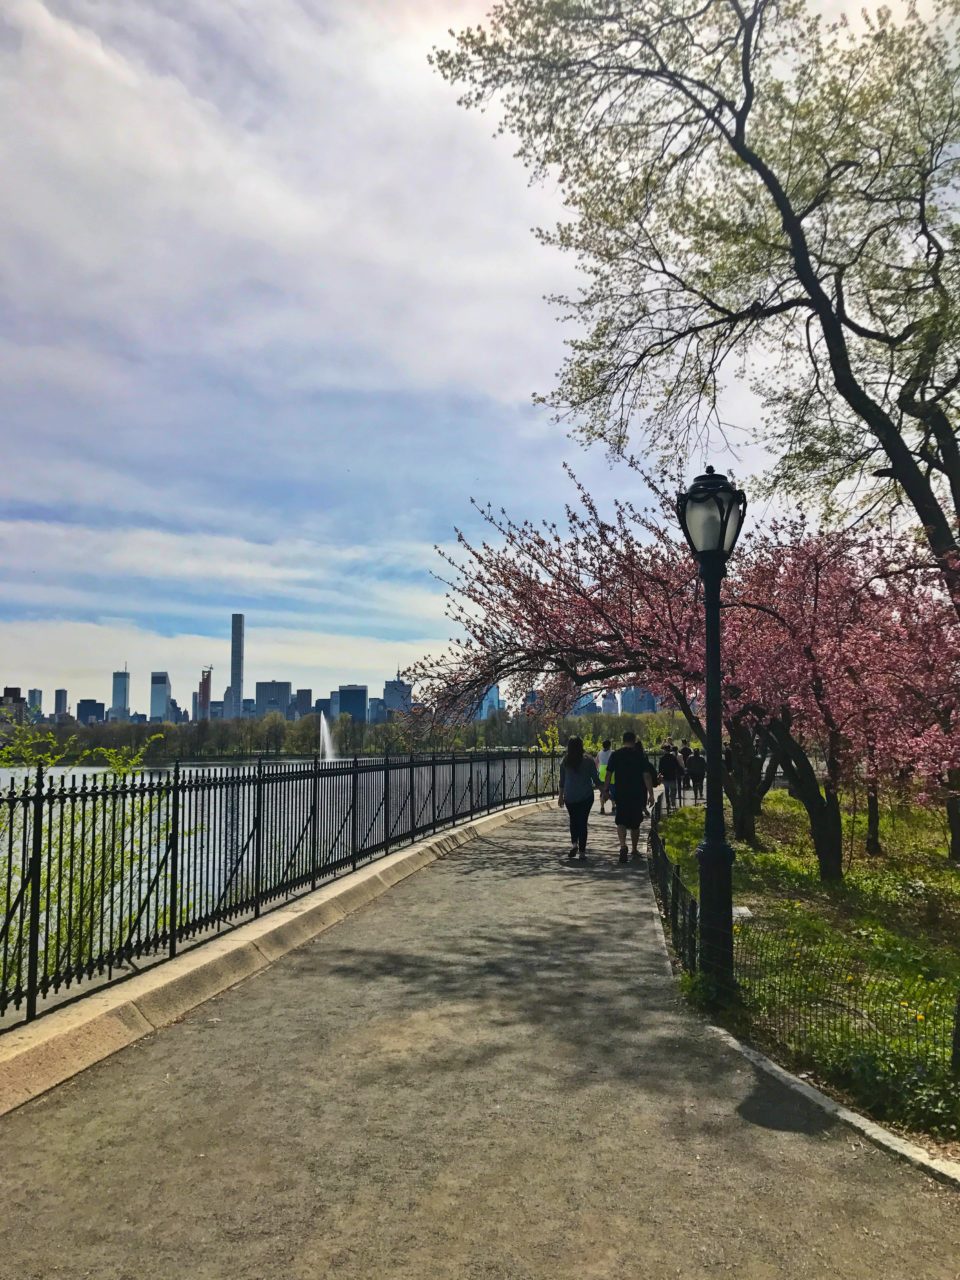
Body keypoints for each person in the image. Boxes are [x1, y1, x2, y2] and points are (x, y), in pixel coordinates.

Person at [602, 731, 655, 863]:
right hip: (637, 793)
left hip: (621, 792)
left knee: (621, 820)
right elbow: (646, 776)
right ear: (635, 740)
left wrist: (606, 790)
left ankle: (622, 845)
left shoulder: (616, 755)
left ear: (623, 740)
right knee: (635, 823)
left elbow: (608, 774)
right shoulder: (640, 755)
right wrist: (651, 794)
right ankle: (634, 849)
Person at [558, 736, 600, 861]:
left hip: (569, 796)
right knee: (583, 822)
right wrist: (604, 790)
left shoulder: (565, 761)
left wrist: (560, 797)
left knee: (573, 820)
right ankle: (582, 852)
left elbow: (562, 781)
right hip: (585, 796)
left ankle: (574, 844)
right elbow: (595, 779)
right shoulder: (588, 760)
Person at [658, 746, 683, 812]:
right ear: (670, 750)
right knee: (673, 790)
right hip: (672, 776)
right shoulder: (673, 757)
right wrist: (681, 772)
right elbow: (678, 766)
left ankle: (667, 802)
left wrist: (660, 775)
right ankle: (672, 801)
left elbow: (660, 768)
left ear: (665, 751)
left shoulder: (662, 758)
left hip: (665, 777)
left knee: (666, 790)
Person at [596, 739, 613, 814]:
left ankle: (602, 807)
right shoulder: (612, 752)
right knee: (612, 789)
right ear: (609, 745)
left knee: (603, 790)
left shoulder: (599, 753)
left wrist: (597, 770)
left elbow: (596, 762)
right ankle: (613, 806)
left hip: (602, 771)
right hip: (610, 771)